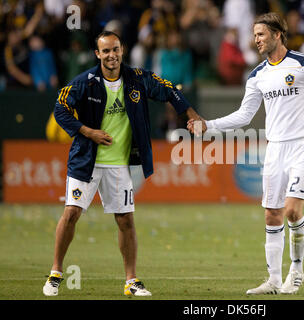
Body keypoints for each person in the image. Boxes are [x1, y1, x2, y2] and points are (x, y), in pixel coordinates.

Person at [188, 12, 304, 295]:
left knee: (291, 210)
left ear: (278, 34)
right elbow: (244, 115)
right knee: (271, 215)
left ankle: (297, 270)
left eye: (261, 34)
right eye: (254, 35)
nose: (256, 40)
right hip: (275, 148)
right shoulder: (257, 76)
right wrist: (209, 125)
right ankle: (273, 280)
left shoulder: (303, 63)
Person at [43, 30, 201, 297]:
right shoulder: (85, 82)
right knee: (71, 214)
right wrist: (88, 131)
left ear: (122, 50)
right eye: (105, 51)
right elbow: (60, 108)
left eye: (115, 49)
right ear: (97, 54)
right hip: (86, 162)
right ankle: (56, 273)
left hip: (118, 165)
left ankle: (131, 281)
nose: (111, 55)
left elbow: (168, 89)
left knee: (126, 220)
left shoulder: (137, 79)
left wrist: (190, 112)